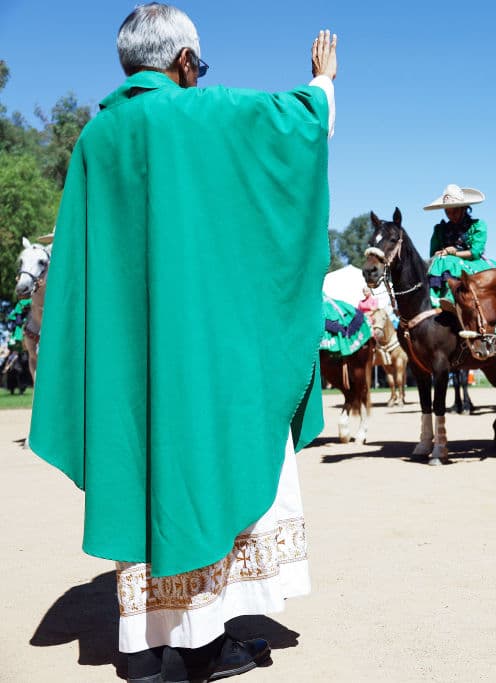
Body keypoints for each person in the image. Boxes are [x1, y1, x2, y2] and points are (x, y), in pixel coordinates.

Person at [27, 5, 338, 681]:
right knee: (205, 471)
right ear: (183, 62)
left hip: (127, 364)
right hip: (198, 359)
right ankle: (196, 647)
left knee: (140, 475)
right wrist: (323, 83)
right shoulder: (199, 113)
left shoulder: (97, 139)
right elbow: (296, 132)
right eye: (199, 66)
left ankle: (141, 649)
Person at [424, 184, 496, 311]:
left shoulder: (477, 226)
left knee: (448, 261)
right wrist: (441, 253)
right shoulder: (440, 229)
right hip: (444, 264)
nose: (450, 215)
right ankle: (432, 298)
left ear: (464, 208)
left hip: (473, 263)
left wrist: (454, 254)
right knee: (441, 261)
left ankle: (451, 297)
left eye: (454, 210)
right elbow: (433, 254)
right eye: (447, 211)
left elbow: (475, 252)